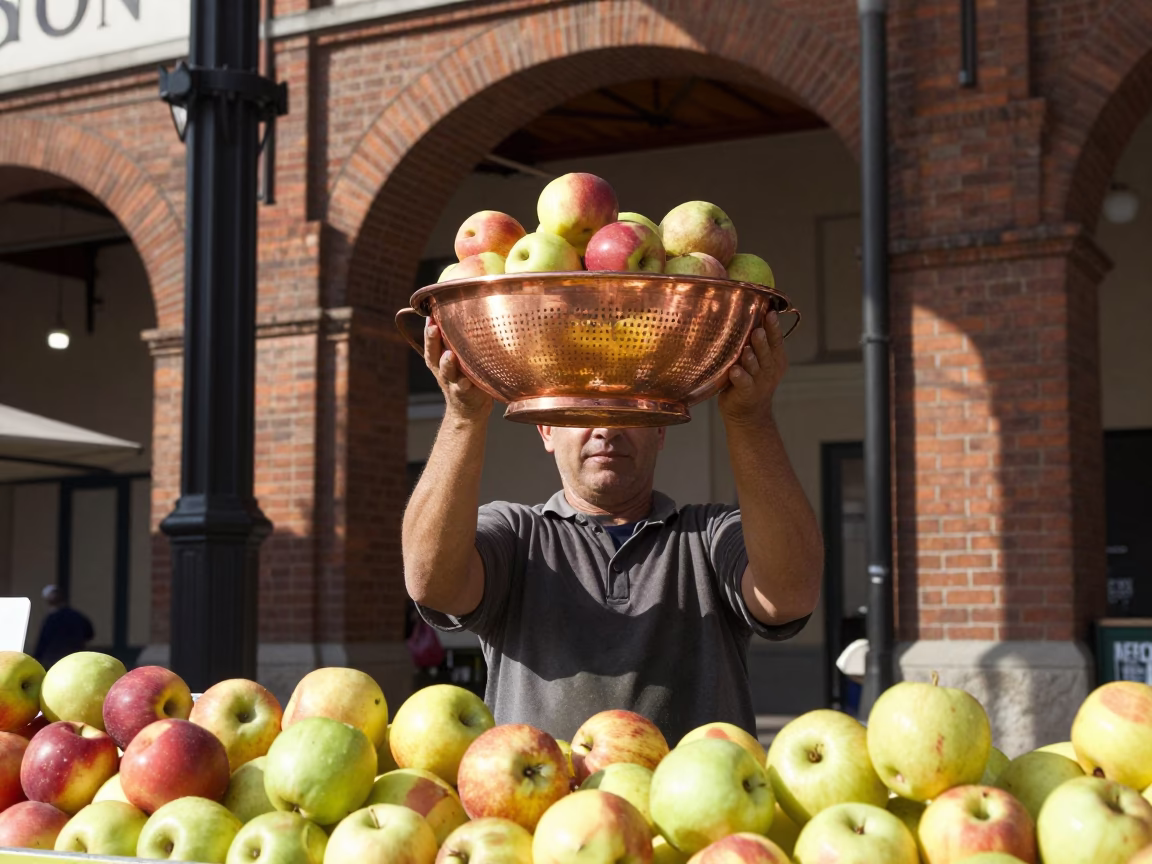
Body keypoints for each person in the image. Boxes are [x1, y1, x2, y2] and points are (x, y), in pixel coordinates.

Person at [403, 310, 824, 744]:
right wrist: (462, 417)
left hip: (689, 810)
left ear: (659, 430)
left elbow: (788, 596)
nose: (606, 428)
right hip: (539, 808)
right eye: (583, 409)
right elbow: (432, 583)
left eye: (628, 408)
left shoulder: (708, 536)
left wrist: (750, 419)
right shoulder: (517, 534)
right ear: (547, 429)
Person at [33, 585, 94, 668]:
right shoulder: (77, 615)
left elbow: (43, 641)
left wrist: (36, 659)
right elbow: (90, 633)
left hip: (55, 661)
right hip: (76, 658)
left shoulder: (50, 619)